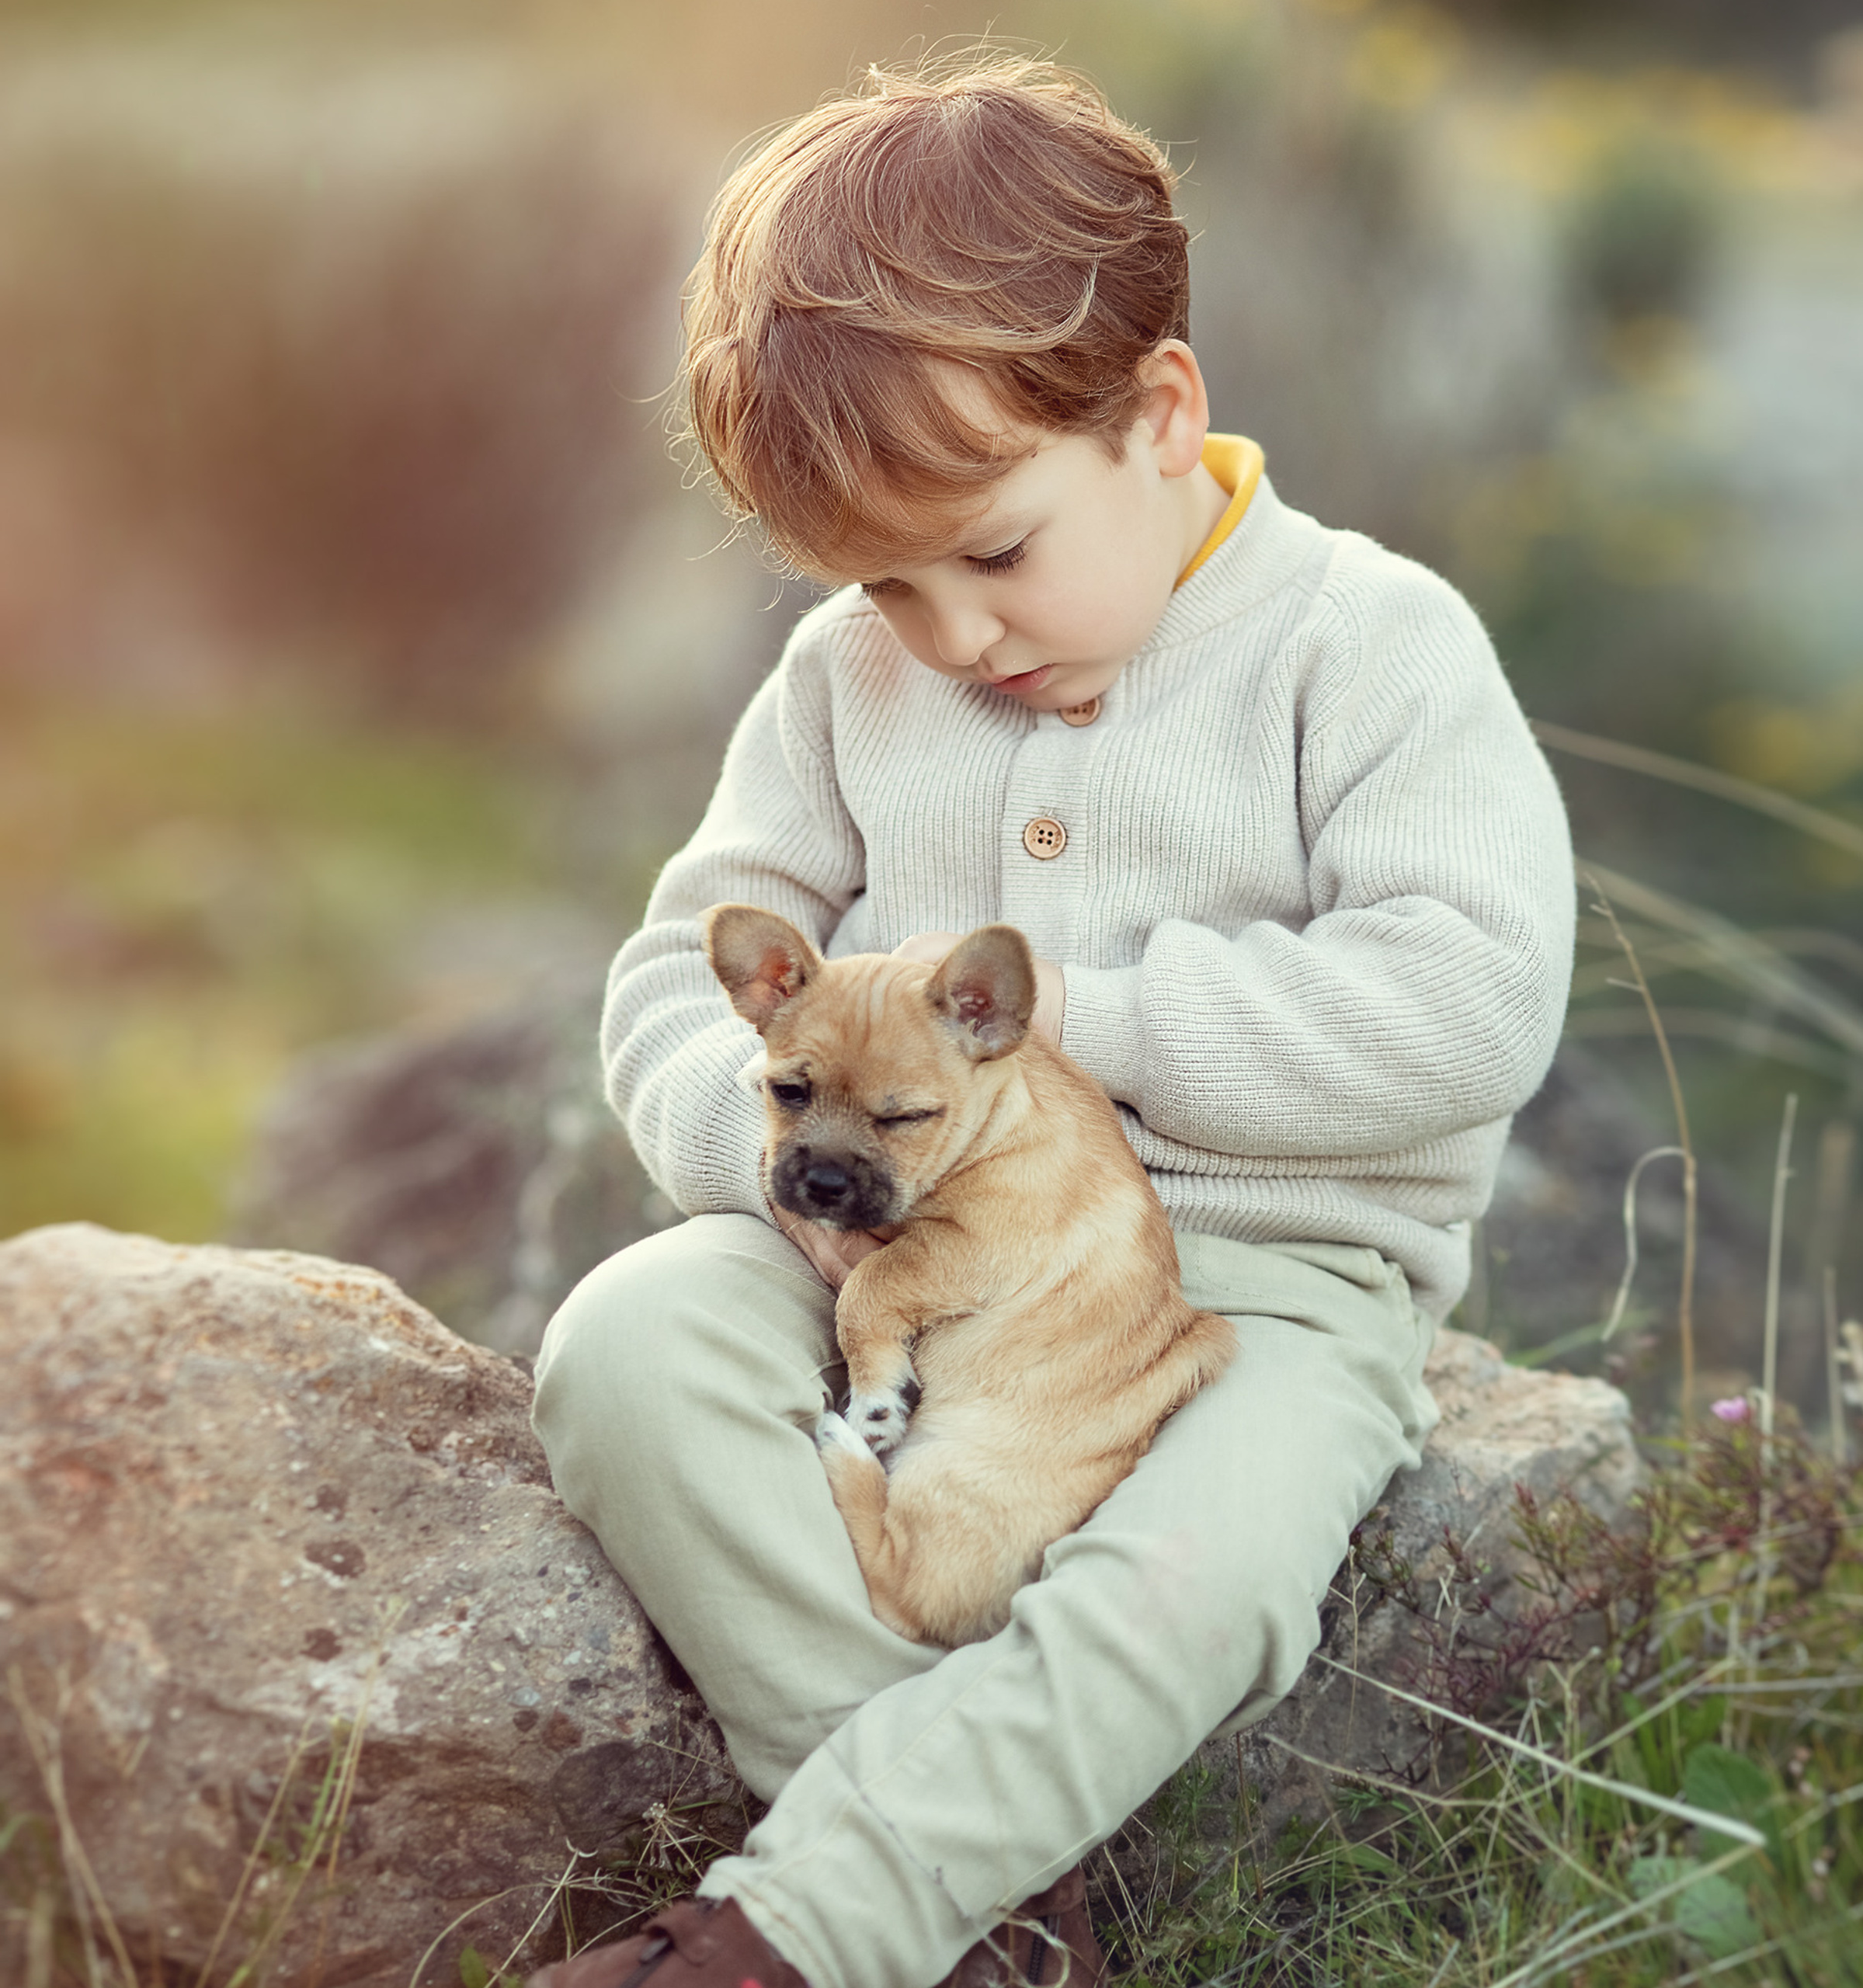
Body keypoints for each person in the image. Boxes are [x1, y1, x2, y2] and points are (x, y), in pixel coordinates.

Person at [527, 54, 1574, 1988]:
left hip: (1258, 1281)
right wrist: (769, 1160)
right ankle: (980, 1898)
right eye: (879, 582)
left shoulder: (1365, 643)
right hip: (883, 1250)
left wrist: (1083, 1023)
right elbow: (687, 965)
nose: (948, 636)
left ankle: (795, 1930)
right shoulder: (851, 680)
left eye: (991, 552)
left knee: (1189, 1576)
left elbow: (1468, 1002)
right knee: (623, 1352)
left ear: (1159, 414)